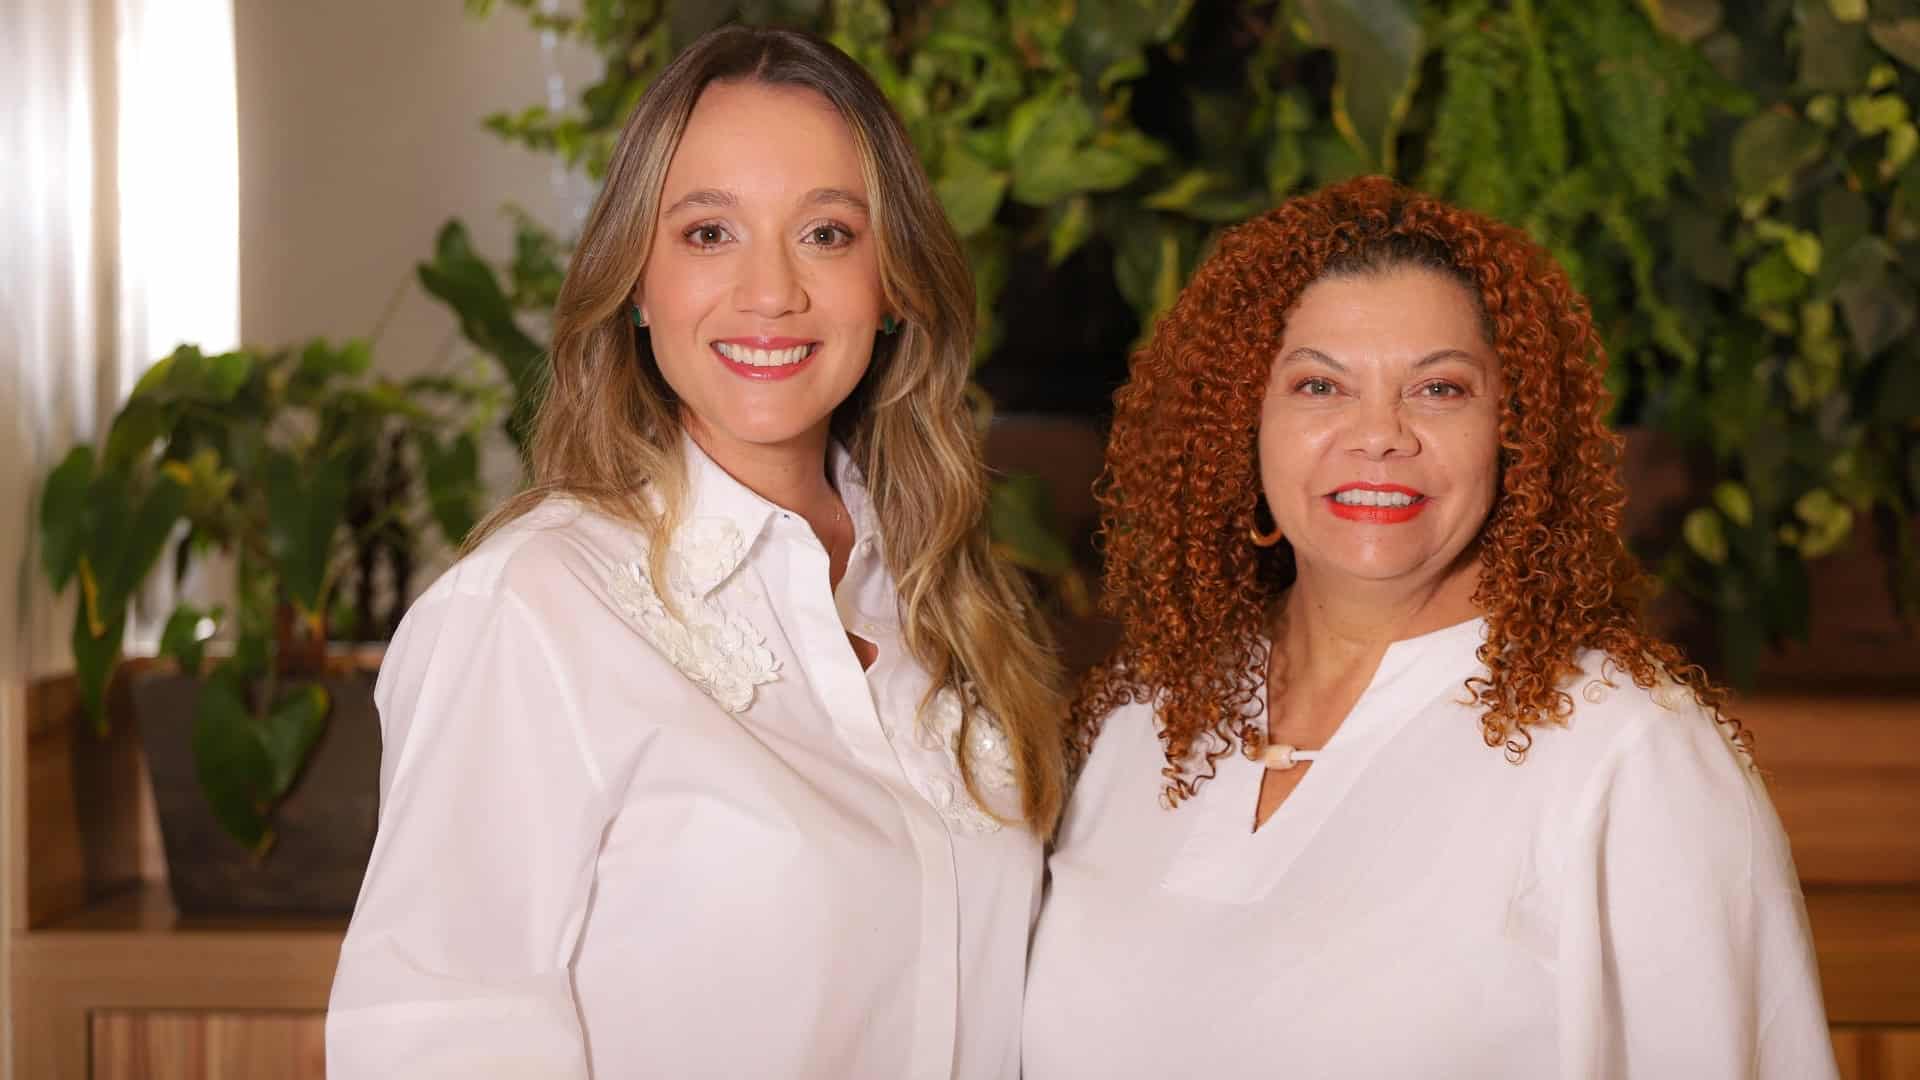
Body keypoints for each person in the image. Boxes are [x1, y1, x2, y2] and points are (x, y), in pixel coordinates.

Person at [327, 25, 1066, 1078]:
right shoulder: (531, 611)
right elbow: (435, 1042)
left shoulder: (947, 597)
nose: (770, 292)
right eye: (709, 232)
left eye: (827, 234)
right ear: (637, 279)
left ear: (894, 285)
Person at [1022, 177, 1837, 1079]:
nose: (1379, 434)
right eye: (1319, 385)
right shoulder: (1141, 719)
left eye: (1440, 389)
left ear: (1514, 433)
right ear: (1242, 425)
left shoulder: (1629, 753)